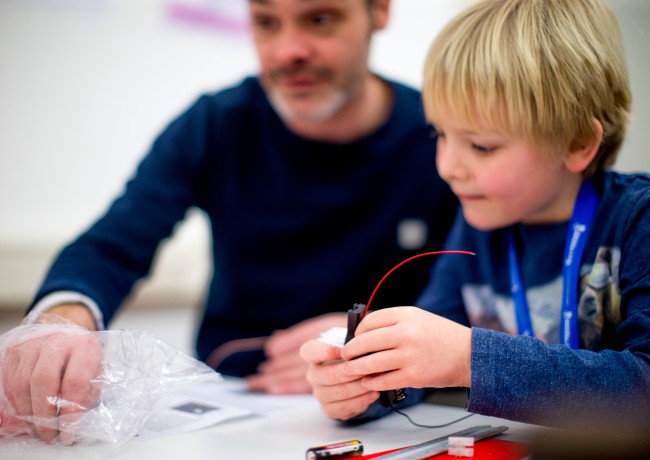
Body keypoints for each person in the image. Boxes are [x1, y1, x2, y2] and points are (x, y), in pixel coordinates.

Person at [0, 0, 459, 444]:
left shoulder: (443, 138)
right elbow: (114, 241)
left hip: (392, 411)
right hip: (232, 407)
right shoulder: (216, 124)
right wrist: (59, 323)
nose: (287, 51)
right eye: (265, 21)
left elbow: (477, 291)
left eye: (320, 19)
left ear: (378, 9)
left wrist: (357, 348)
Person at [301, 0, 650, 429]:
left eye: (482, 146)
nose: (448, 166)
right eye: (440, 134)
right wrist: (365, 386)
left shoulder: (637, 220)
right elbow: (428, 353)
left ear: (577, 143)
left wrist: (469, 358)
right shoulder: (478, 222)